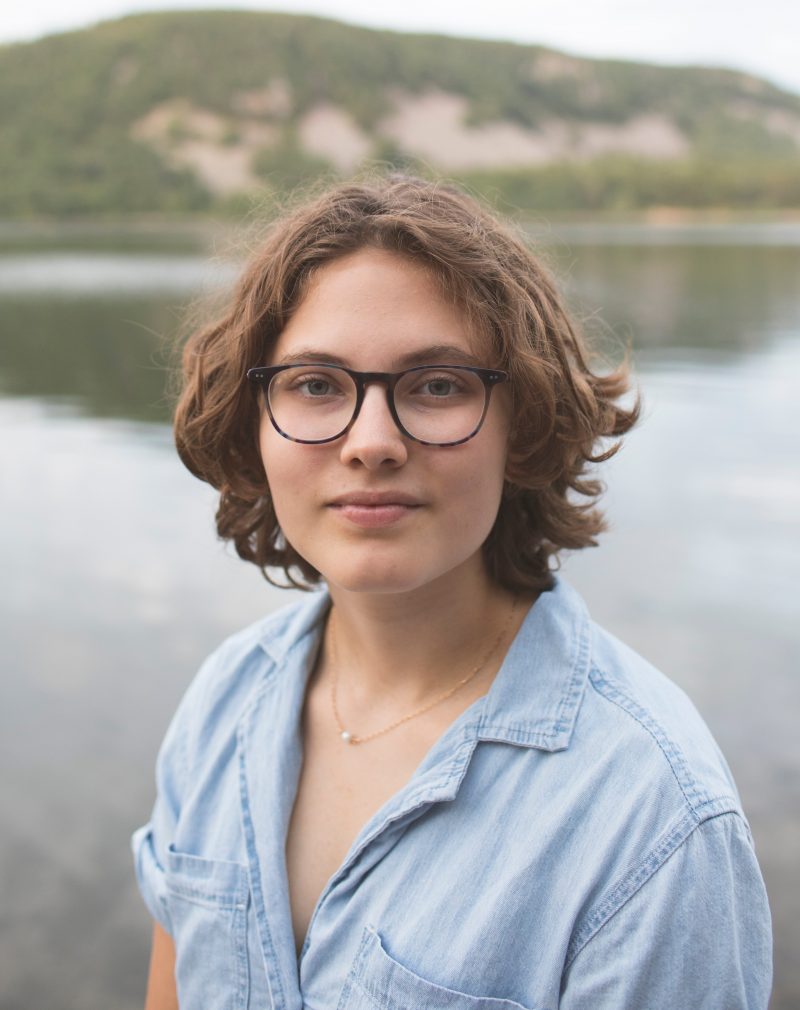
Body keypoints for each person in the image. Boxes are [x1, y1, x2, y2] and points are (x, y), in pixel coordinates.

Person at [132, 175, 772, 1010]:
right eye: (316, 384)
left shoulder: (651, 812)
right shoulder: (225, 701)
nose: (371, 443)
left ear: (523, 425)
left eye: (437, 385)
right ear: (254, 422)